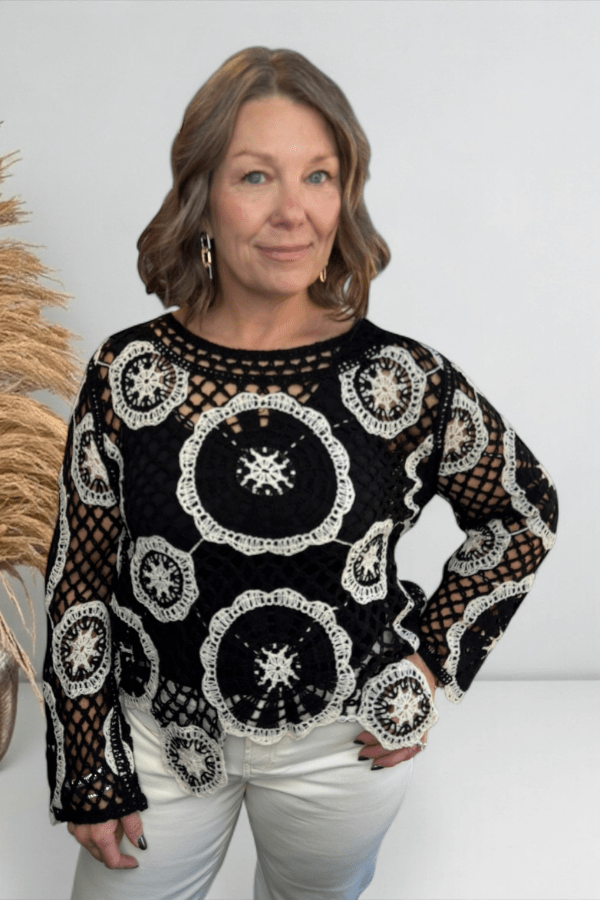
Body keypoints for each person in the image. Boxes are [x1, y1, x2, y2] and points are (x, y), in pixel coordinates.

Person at [43, 47, 558, 900]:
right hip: (158, 740)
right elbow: (80, 579)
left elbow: (523, 514)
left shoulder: (403, 382)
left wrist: (430, 665)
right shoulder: (128, 377)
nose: (293, 212)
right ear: (202, 193)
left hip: (343, 749)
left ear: (345, 194)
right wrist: (86, 762)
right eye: (256, 177)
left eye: (319, 176)